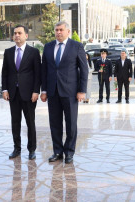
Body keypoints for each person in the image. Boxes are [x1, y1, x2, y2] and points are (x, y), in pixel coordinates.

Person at [41, 21, 88, 164]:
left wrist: (82, 90)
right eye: (56, 30)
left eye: (61, 30)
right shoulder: (48, 47)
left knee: (71, 124)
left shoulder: (77, 46)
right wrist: (44, 90)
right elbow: (44, 70)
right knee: (54, 123)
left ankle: (69, 152)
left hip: (70, 92)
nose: (58, 32)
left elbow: (84, 70)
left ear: (68, 31)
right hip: (53, 92)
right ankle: (57, 151)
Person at [2, 25, 41, 160]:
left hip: (29, 94)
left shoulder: (34, 52)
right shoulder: (8, 52)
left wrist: (36, 91)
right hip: (13, 93)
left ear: (26, 36)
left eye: (19, 33)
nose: (17, 35)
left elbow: (38, 74)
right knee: (15, 122)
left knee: (30, 122)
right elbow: (5, 72)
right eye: (15, 33)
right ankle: (16, 148)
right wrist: (5, 89)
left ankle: (32, 150)